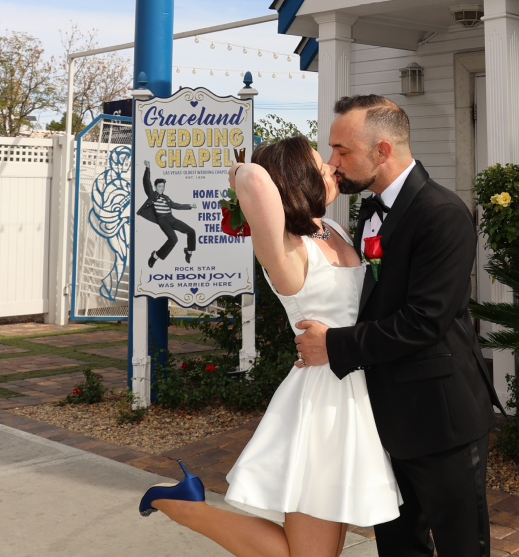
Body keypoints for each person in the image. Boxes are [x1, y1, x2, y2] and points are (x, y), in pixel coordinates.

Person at [138, 135, 401, 556]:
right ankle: (184, 505)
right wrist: (242, 168)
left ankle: (185, 501)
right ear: (295, 178)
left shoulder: (330, 228)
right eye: (318, 165)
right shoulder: (283, 245)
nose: (332, 168)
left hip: (354, 391)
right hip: (322, 403)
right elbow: (257, 181)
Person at [291, 94, 500, 557]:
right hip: (382, 416)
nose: (333, 162)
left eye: (342, 151)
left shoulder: (442, 214)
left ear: (382, 151)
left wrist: (336, 346)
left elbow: (424, 321)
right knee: (398, 545)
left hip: (440, 416)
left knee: (461, 544)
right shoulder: (368, 210)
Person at [140, 164, 196, 266]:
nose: (161, 188)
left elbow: (175, 205)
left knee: (191, 231)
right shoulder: (152, 195)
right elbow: (146, 182)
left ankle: (188, 251)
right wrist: (148, 168)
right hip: (162, 220)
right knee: (174, 239)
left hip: (171, 219)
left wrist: (189, 206)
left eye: (163, 186)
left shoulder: (166, 197)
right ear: (156, 187)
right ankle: (155, 256)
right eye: (159, 186)